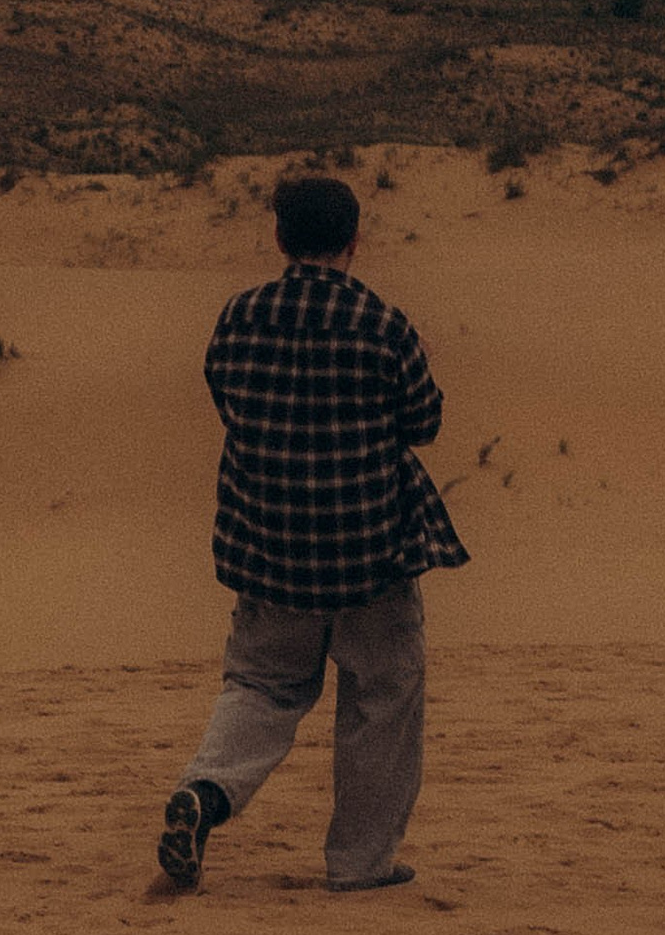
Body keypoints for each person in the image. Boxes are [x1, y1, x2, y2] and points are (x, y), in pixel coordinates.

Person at [158, 171, 466, 896]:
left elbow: (226, 398)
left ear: (279, 237)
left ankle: (206, 791)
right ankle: (362, 862)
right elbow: (424, 421)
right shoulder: (382, 324)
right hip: (372, 550)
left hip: (270, 548)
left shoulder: (240, 317)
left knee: (261, 687)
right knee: (382, 700)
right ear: (354, 241)